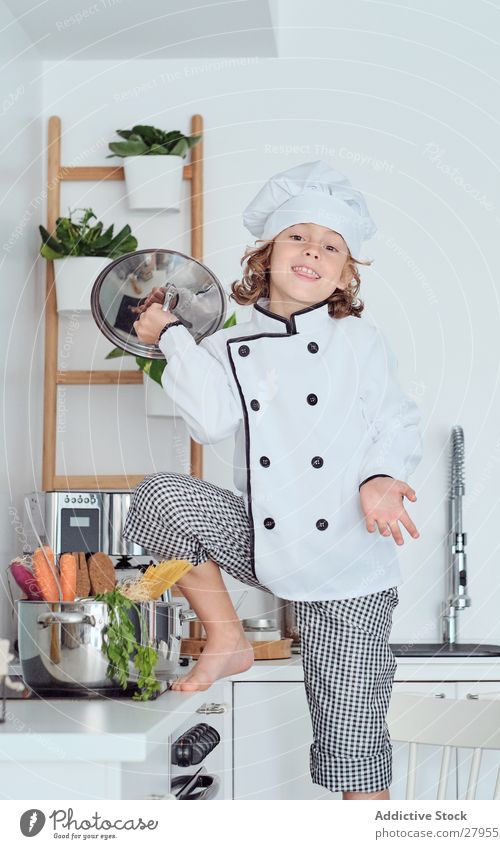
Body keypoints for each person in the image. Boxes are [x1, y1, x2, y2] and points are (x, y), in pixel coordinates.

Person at [123, 160, 423, 800]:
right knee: (162, 497)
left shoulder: (358, 340)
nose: (313, 249)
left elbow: (396, 421)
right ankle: (227, 638)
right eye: (298, 236)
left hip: (346, 562)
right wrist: (174, 337)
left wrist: (381, 478)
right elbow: (210, 422)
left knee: (351, 745)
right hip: (269, 538)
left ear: (345, 274)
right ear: (265, 254)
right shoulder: (232, 341)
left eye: (331, 245)